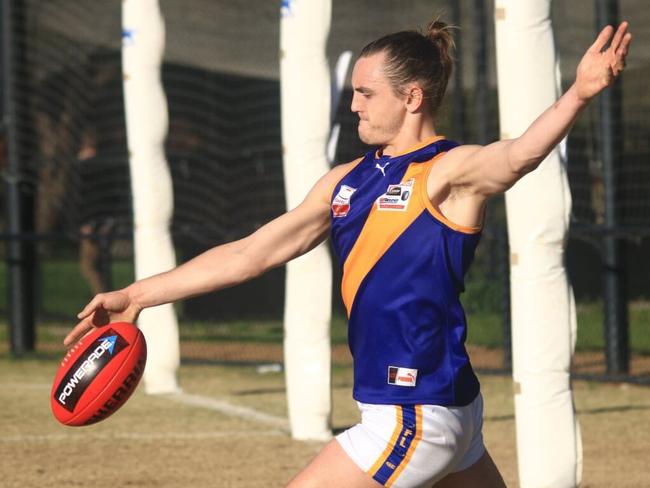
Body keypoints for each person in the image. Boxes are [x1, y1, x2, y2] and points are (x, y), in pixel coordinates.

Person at [64, 19, 632, 488]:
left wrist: (579, 92)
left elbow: (517, 156)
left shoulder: (447, 172)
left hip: (414, 413)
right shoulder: (346, 182)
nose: (354, 105)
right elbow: (251, 253)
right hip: (447, 407)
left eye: (366, 93)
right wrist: (137, 295)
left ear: (412, 97)